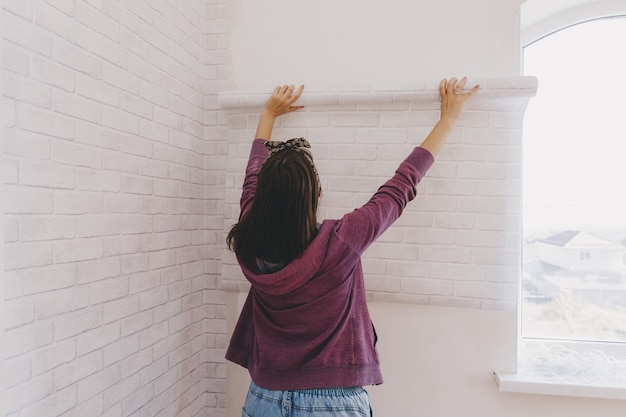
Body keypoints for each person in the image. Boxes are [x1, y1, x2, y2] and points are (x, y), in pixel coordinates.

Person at [226, 78, 479, 417]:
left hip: (264, 398)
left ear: (264, 200)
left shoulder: (247, 239)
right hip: (333, 404)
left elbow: (252, 177)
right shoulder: (341, 241)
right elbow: (400, 186)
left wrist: (268, 114)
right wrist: (447, 119)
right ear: (315, 195)